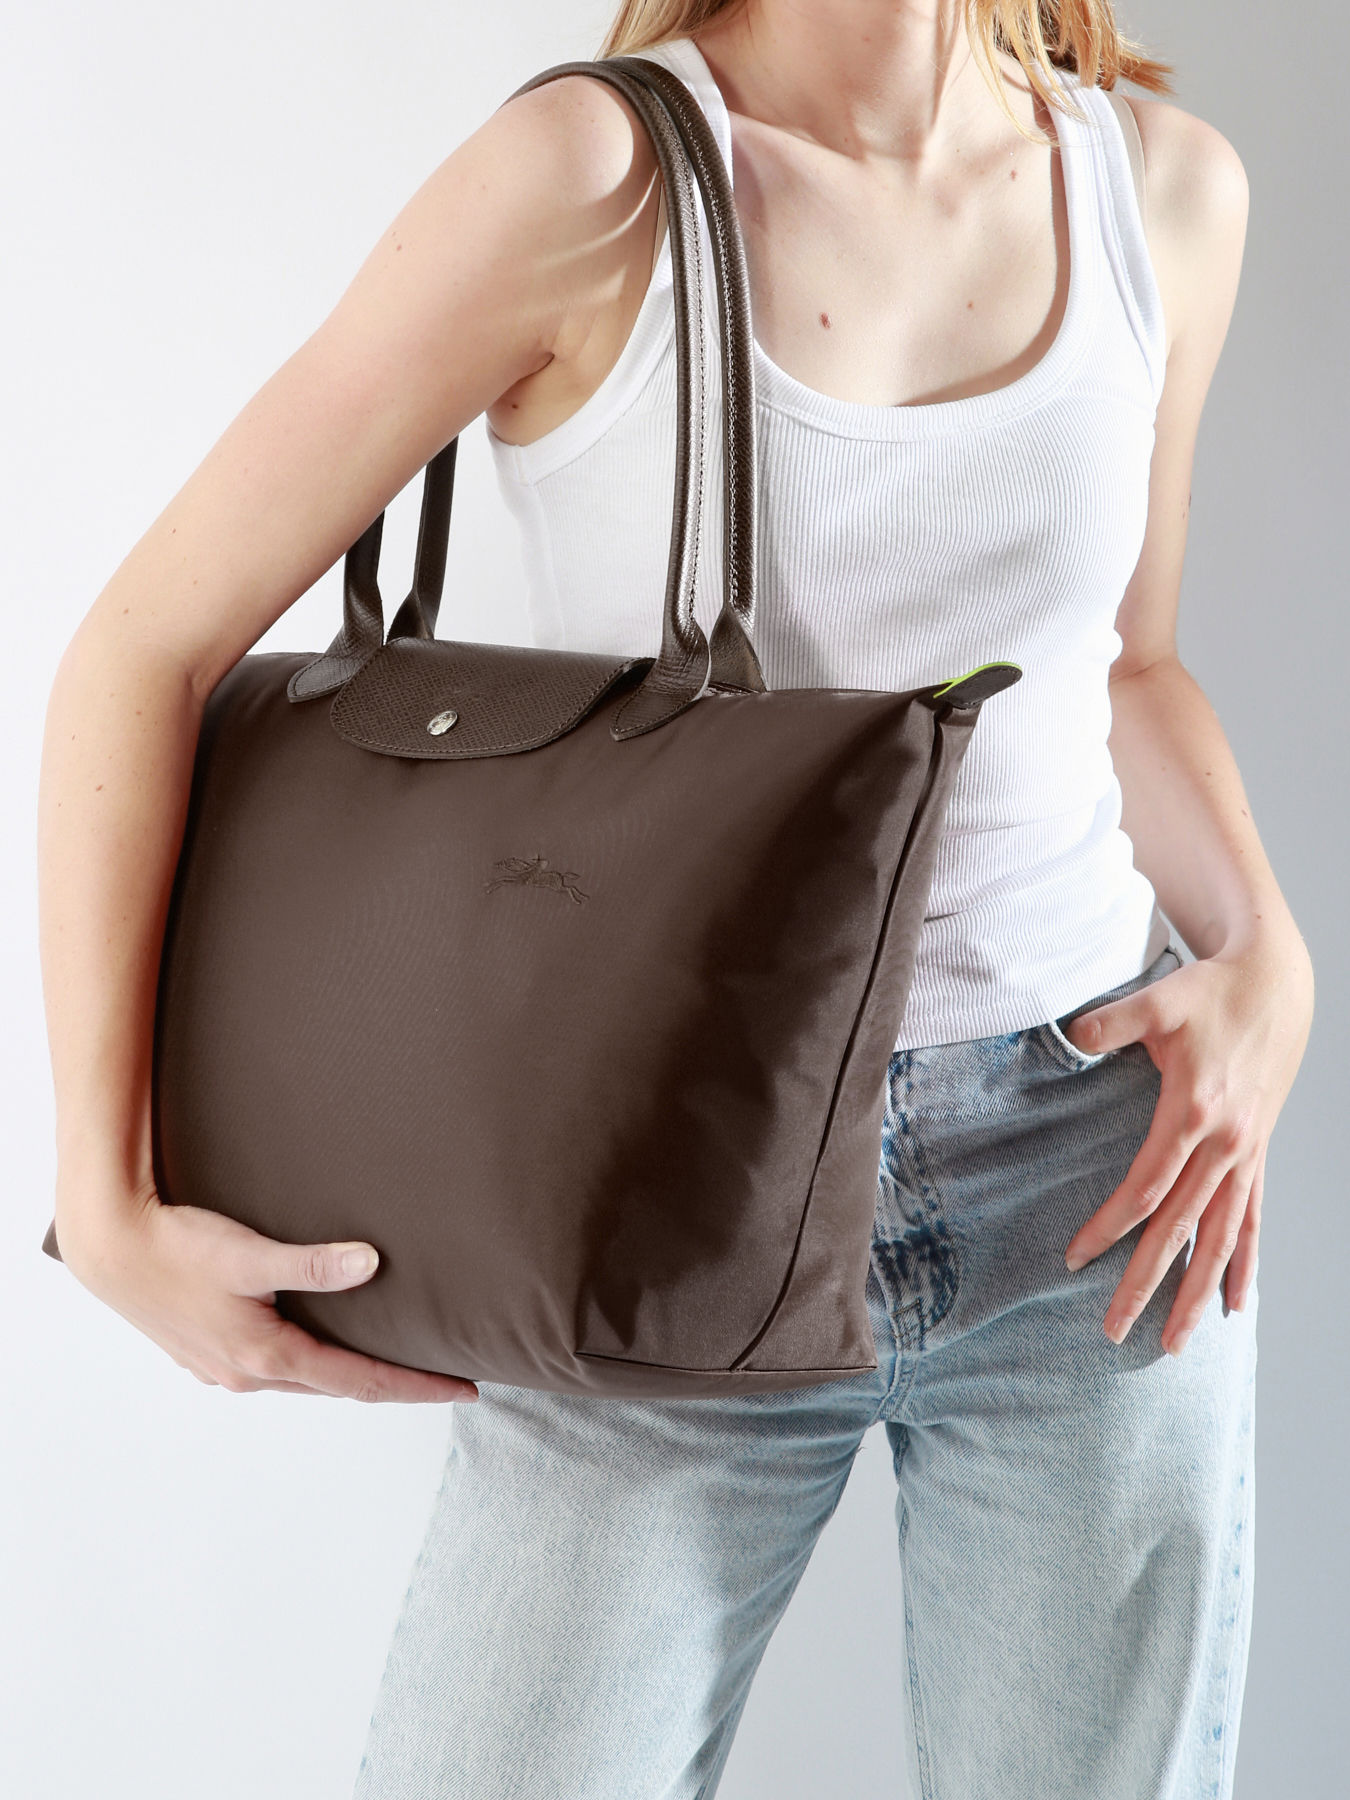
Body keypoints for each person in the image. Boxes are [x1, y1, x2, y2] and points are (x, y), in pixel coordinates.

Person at [37, 1, 1314, 1796]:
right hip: (665, 1186)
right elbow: (145, 649)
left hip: (1095, 1180)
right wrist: (103, 1197)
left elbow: (1127, 666)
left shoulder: (1160, 191)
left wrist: (1268, 951)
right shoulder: (593, 175)